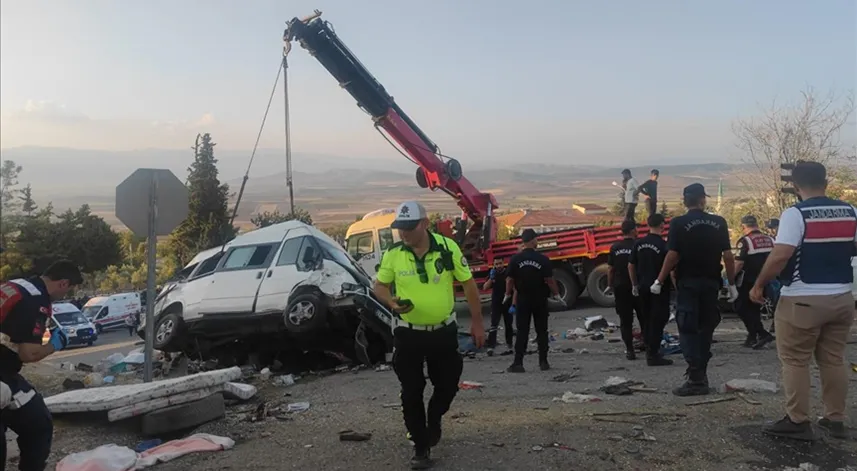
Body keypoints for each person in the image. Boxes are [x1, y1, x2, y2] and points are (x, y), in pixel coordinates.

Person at [750, 161, 857, 441]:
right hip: (842, 297)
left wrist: (759, 284)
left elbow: (781, 254)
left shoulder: (796, 214)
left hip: (802, 297)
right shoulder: (850, 211)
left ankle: (798, 420)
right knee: (833, 359)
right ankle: (835, 418)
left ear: (796, 187)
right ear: (826, 181)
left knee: (795, 360)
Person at [374, 201, 485, 469]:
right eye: (400, 228)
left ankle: (433, 418)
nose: (404, 234)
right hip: (407, 334)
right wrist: (391, 302)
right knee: (411, 390)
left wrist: (477, 323)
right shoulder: (394, 254)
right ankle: (421, 448)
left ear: (424, 223)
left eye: (409, 228)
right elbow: (380, 287)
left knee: (447, 384)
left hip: (442, 332)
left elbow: (468, 284)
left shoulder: (447, 248)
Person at [651, 183, 738, 396]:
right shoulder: (718, 222)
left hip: (688, 284)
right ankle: (701, 375)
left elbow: (673, 255)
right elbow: (727, 256)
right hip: (711, 284)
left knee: (688, 330)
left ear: (685, 201)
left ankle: (696, 380)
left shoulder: (679, 223)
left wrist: (660, 280)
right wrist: (732, 284)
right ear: (702, 200)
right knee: (706, 328)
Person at [2, 260, 82, 471]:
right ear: (63, 283)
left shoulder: (16, 285)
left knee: (34, 419)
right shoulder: (36, 300)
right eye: (70, 289)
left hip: (5, 373)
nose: (65, 295)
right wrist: (55, 345)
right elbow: (28, 353)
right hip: (2, 374)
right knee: (38, 425)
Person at [505, 229, 565, 373]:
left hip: (523, 299)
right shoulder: (543, 259)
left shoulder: (515, 259)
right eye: (536, 239)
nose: (537, 242)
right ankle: (543, 362)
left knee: (522, 331)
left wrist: (507, 294)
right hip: (540, 299)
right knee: (542, 331)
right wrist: (557, 295)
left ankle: (518, 363)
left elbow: (509, 280)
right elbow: (549, 280)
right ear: (532, 240)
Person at [628, 214, 674, 366]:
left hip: (642, 287)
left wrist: (634, 284)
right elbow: (670, 268)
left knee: (646, 319)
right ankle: (653, 354)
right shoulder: (663, 245)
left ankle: (649, 348)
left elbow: (631, 265)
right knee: (659, 319)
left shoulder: (638, 244)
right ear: (662, 225)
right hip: (659, 288)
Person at [734, 215, 775, 349]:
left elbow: (739, 263)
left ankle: (762, 333)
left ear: (744, 226)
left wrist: (729, 278)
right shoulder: (770, 239)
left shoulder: (745, 241)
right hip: (767, 279)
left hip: (748, 280)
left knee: (741, 307)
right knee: (754, 308)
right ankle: (752, 336)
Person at [607, 220, 643, 360]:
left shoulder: (615, 247)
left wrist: (610, 285)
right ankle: (648, 346)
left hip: (620, 287)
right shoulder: (639, 245)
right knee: (644, 317)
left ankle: (630, 350)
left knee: (625, 321)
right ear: (633, 230)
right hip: (637, 287)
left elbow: (610, 269)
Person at [482, 258, 516, 355]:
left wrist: (514, 304)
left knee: (508, 325)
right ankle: (491, 347)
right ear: (494, 265)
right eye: (496, 264)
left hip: (507, 303)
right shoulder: (492, 273)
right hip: (496, 303)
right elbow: (485, 288)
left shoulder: (508, 273)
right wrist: (491, 279)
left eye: (500, 263)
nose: (498, 266)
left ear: (503, 263)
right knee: (494, 325)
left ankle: (510, 345)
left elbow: (514, 287)